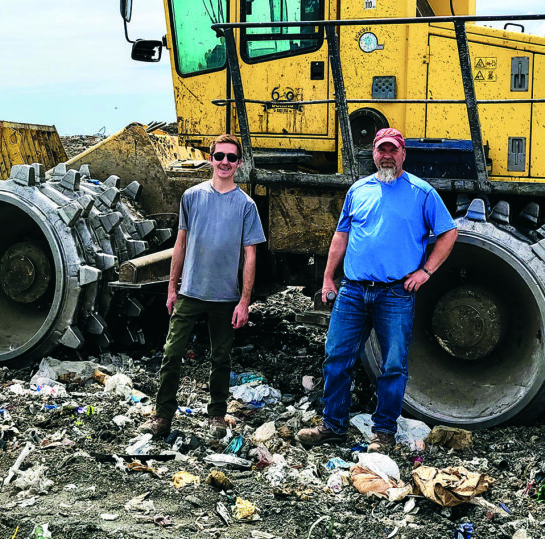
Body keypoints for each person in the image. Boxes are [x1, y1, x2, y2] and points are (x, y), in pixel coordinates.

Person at [297, 127, 458, 452]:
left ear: (403, 154)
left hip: (395, 294)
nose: (386, 155)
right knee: (336, 358)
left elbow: (448, 232)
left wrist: (426, 271)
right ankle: (333, 425)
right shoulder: (358, 191)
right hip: (353, 291)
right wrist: (329, 278)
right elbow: (341, 236)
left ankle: (383, 432)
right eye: (381, 150)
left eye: (393, 150)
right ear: (373, 153)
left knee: (393, 365)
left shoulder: (421, 193)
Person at [141, 133, 266, 438]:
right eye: (219, 156)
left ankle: (217, 416)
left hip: (226, 297)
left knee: (221, 358)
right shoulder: (192, 197)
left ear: (238, 163)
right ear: (210, 159)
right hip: (190, 292)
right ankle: (163, 416)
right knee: (171, 354)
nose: (225, 162)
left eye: (231, 158)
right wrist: (172, 288)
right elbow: (180, 245)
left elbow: (250, 257)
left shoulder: (246, 205)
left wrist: (244, 301)